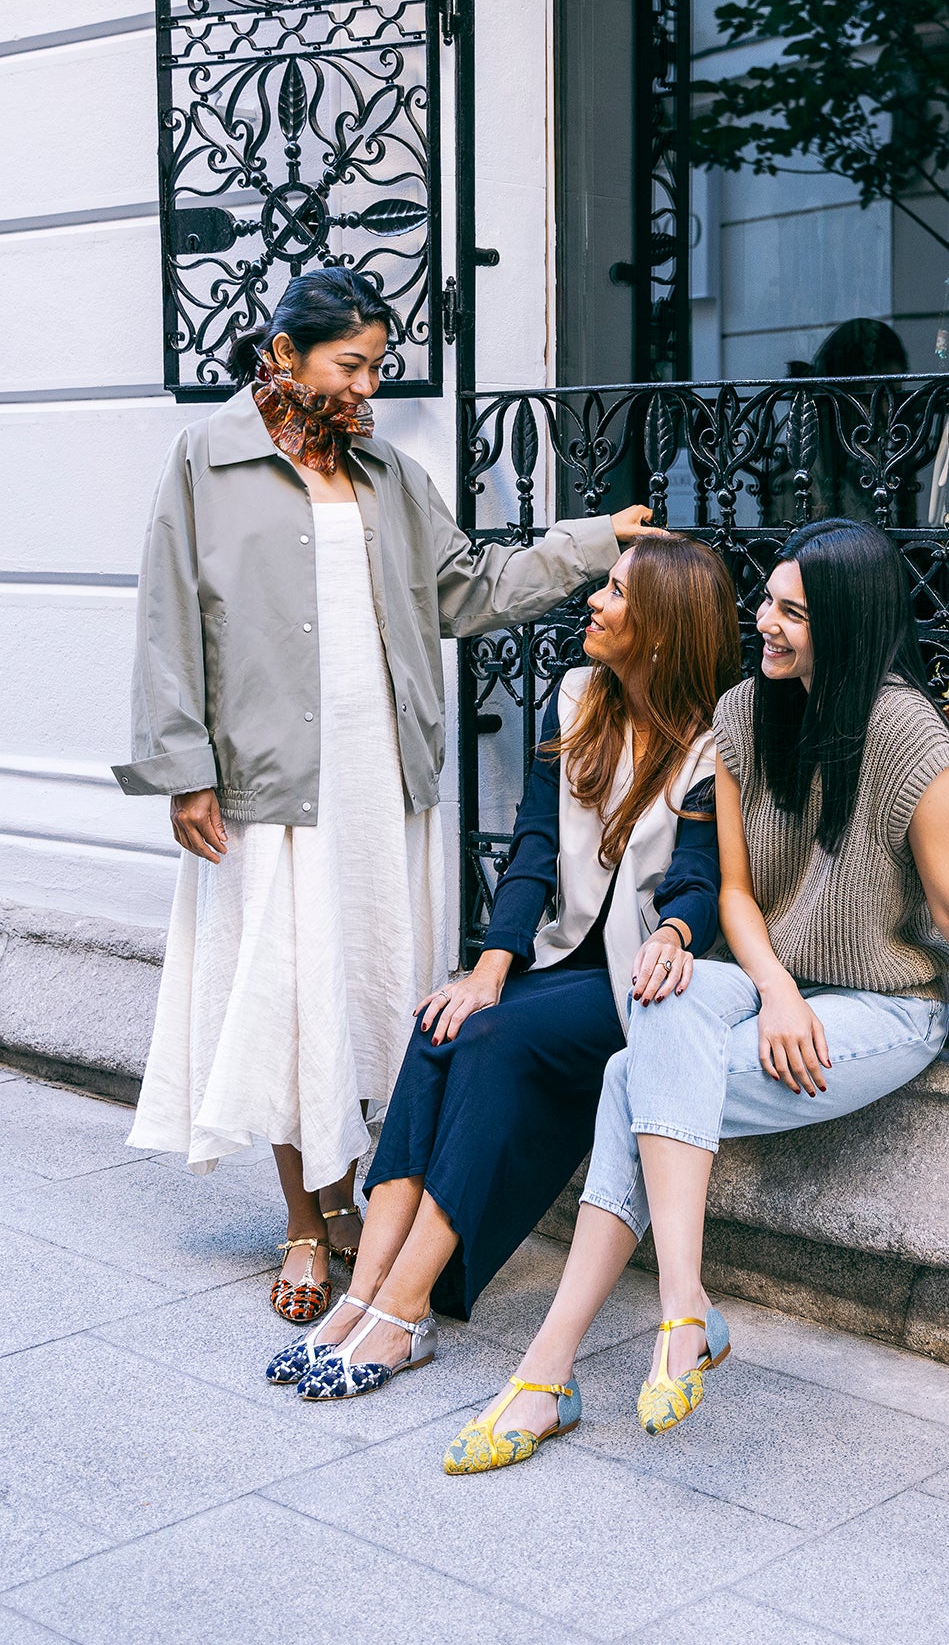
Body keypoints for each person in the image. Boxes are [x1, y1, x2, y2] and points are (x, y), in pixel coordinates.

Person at [447, 517, 949, 1472]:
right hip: (774, 987)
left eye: (793, 612)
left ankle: (552, 1371)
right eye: (768, 603)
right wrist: (778, 990)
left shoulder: (910, 736)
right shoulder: (746, 712)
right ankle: (680, 1307)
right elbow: (741, 895)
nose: (766, 624)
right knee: (660, 995)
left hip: (884, 1005)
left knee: (634, 1078)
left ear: (846, 623)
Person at [115, 266, 656, 1324]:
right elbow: (165, 618)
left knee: (359, 997)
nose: (367, 386)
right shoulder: (204, 460)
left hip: (379, 776)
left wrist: (596, 542)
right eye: (349, 364)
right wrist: (181, 767)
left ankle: (358, 1194)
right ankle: (307, 1224)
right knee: (285, 999)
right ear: (285, 353)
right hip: (265, 783)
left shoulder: (389, 475)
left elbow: (471, 589)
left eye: (377, 366)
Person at [263, 533, 742, 1398]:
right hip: (560, 958)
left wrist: (674, 932)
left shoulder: (713, 743)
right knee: (445, 1019)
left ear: (664, 629)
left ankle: (407, 1311)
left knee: (491, 1042)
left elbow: (703, 878)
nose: (595, 601)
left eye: (619, 593)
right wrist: (487, 968)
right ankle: (364, 1293)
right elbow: (532, 846)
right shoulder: (577, 699)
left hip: (632, 985)